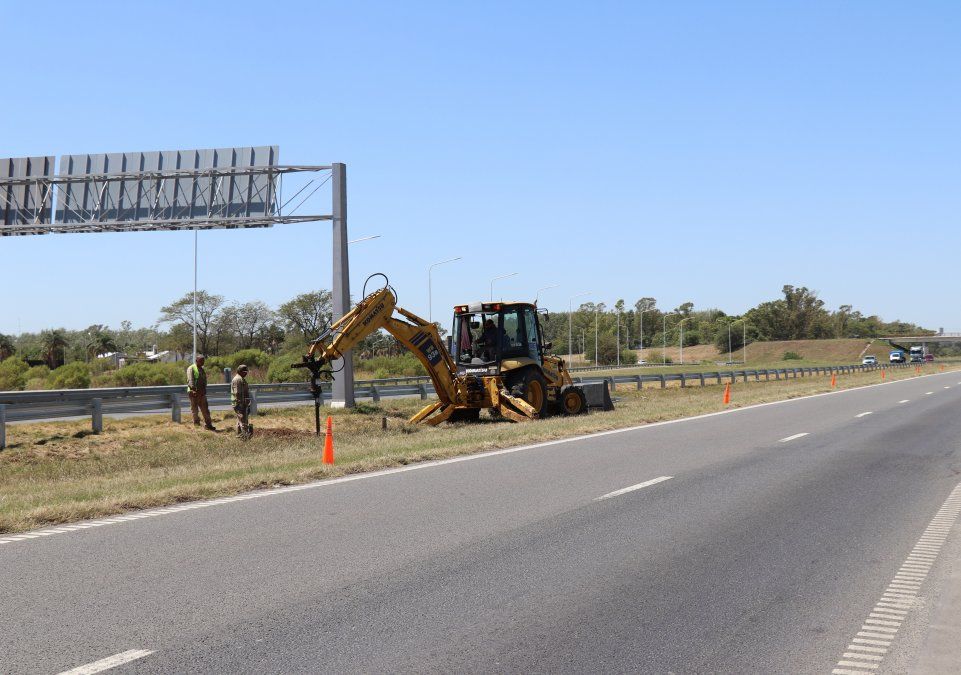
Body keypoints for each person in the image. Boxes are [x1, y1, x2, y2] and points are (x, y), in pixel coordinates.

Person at [186, 355, 216, 430]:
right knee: (195, 410)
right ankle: (197, 425)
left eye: (203, 361)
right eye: (201, 361)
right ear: (196, 360)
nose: (203, 362)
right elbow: (190, 380)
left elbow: (204, 380)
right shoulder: (191, 368)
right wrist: (194, 390)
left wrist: (204, 389)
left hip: (202, 393)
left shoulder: (202, 369)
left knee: (205, 409)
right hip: (194, 393)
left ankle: (208, 425)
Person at [231, 364, 253, 438]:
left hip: (242, 403)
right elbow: (237, 393)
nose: (246, 373)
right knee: (243, 420)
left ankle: (239, 435)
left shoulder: (241, 378)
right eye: (245, 372)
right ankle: (245, 436)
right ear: (240, 371)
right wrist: (241, 404)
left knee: (240, 419)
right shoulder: (237, 379)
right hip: (239, 403)